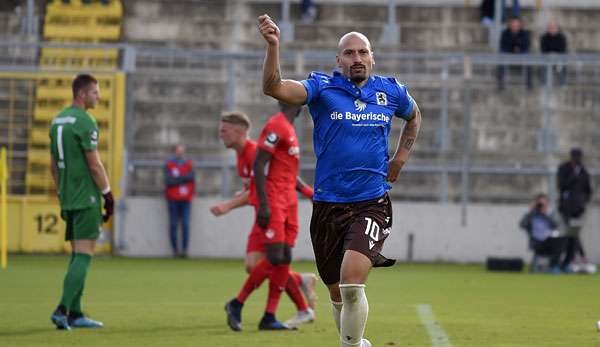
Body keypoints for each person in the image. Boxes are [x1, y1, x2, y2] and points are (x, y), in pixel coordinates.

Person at [258, 14, 422, 347]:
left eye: (363, 52)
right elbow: (273, 88)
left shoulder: (391, 91)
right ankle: (356, 343)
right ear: (339, 60)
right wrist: (274, 46)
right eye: (349, 53)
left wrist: (400, 159)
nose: (357, 58)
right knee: (335, 290)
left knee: (350, 285)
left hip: (371, 203)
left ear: (372, 57)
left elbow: (414, 116)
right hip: (328, 204)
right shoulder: (322, 87)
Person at [212, 111, 318, 328]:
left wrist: (229, 205)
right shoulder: (241, 155)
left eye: (224, 130)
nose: (220, 134)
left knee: (273, 259)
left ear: (239, 132)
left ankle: (275, 307)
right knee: (260, 264)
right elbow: (255, 186)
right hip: (265, 212)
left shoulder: (253, 153)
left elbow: (285, 177)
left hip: (270, 209)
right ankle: (298, 287)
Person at [49, 74, 114, 330]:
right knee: (85, 255)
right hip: (86, 196)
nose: (98, 97)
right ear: (82, 94)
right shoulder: (85, 121)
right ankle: (62, 309)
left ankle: (75, 313)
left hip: (68, 197)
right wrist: (108, 194)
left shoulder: (57, 121)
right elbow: (95, 164)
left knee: (77, 253)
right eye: (95, 93)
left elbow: (53, 165)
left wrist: (62, 193)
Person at [557, 148, 593, 272]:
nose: (577, 159)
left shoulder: (583, 170)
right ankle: (577, 258)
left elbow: (588, 189)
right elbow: (562, 185)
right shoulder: (564, 168)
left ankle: (569, 260)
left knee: (573, 234)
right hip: (566, 207)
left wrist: (584, 201)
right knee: (571, 234)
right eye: (575, 157)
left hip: (579, 208)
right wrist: (574, 175)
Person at [519, 194, 566, 273]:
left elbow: (555, 226)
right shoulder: (531, 215)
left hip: (551, 240)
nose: (541, 206)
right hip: (537, 242)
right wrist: (531, 212)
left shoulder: (549, 215)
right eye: (539, 204)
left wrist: (545, 215)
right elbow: (522, 224)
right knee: (558, 243)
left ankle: (558, 265)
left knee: (565, 239)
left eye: (543, 204)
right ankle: (554, 266)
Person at [164, 144, 195, 258]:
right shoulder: (169, 164)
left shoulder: (189, 164)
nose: (180, 153)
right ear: (174, 152)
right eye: (178, 151)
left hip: (186, 199)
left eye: (182, 151)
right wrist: (183, 178)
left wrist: (177, 179)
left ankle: (185, 250)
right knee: (173, 224)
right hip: (173, 199)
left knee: (185, 224)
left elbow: (191, 177)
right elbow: (169, 181)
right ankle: (175, 250)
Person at [497, 16, 532, 91]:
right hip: (508, 52)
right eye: (513, 24)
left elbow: (526, 44)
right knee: (502, 55)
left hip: (521, 53)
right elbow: (503, 44)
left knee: (527, 56)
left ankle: (529, 84)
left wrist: (518, 47)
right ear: (510, 24)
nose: (515, 26)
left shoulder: (525, 33)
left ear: (520, 25)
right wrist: (513, 48)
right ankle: (501, 83)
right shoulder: (505, 33)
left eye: (517, 25)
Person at [540, 20, 568, 85]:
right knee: (544, 67)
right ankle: (544, 85)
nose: (552, 29)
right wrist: (550, 55)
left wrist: (555, 55)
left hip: (558, 59)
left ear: (557, 28)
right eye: (550, 27)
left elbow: (563, 50)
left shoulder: (562, 37)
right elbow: (543, 50)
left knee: (561, 66)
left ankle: (562, 85)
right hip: (547, 59)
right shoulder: (544, 37)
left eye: (553, 27)